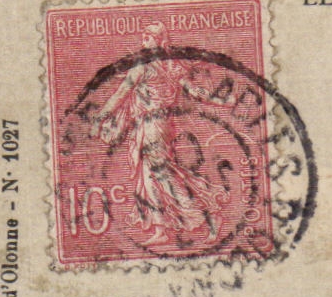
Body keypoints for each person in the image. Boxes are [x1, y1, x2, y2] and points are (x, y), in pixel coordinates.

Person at [92, 22, 234, 246]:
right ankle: (161, 229)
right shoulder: (171, 66)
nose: (143, 41)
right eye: (144, 37)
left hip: (152, 126)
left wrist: (101, 118)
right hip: (156, 124)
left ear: (157, 40)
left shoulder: (143, 66)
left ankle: (208, 213)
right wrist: (220, 101)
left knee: (163, 174)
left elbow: (121, 94)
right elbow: (195, 91)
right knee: (149, 176)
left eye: (147, 37)